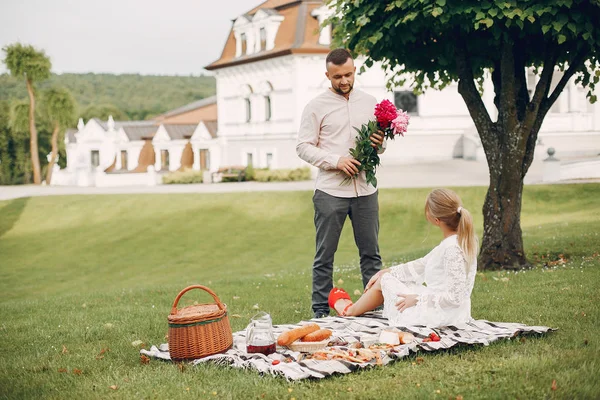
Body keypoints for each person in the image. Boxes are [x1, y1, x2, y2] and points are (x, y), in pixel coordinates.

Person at [296, 48, 386, 318]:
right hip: (330, 192)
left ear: (355, 70)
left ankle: (376, 309)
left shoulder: (371, 103)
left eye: (347, 74)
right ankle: (321, 312)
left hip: (365, 191)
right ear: (328, 75)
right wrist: (336, 161)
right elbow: (303, 147)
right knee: (325, 255)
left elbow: (378, 150)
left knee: (371, 254)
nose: (344, 81)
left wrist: (380, 145)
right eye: (337, 77)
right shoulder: (315, 107)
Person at [328, 188, 479, 328]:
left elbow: (455, 297)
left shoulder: (452, 249)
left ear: (435, 219)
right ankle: (352, 309)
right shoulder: (459, 242)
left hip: (440, 315)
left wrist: (418, 299)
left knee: (385, 281)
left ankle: (349, 311)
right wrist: (384, 272)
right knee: (386, 278)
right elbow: (421, 265)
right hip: (447, 310)